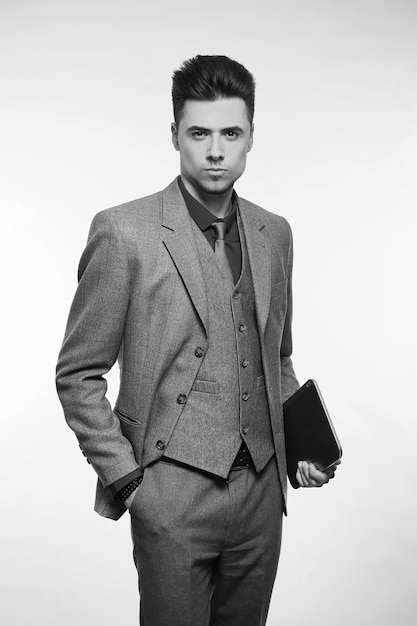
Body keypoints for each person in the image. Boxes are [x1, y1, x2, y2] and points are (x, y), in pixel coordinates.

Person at [56, 54, 339, 626]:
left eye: (231, 133)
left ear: (251, 136)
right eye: (199, 133)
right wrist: (131, 483)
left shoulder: (274, 233)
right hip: (171, 491)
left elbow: (275, 356)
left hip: (262, 494)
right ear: (175, 135)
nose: (216, 151)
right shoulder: (124, 231)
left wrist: (303, 446)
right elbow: (78, 374)